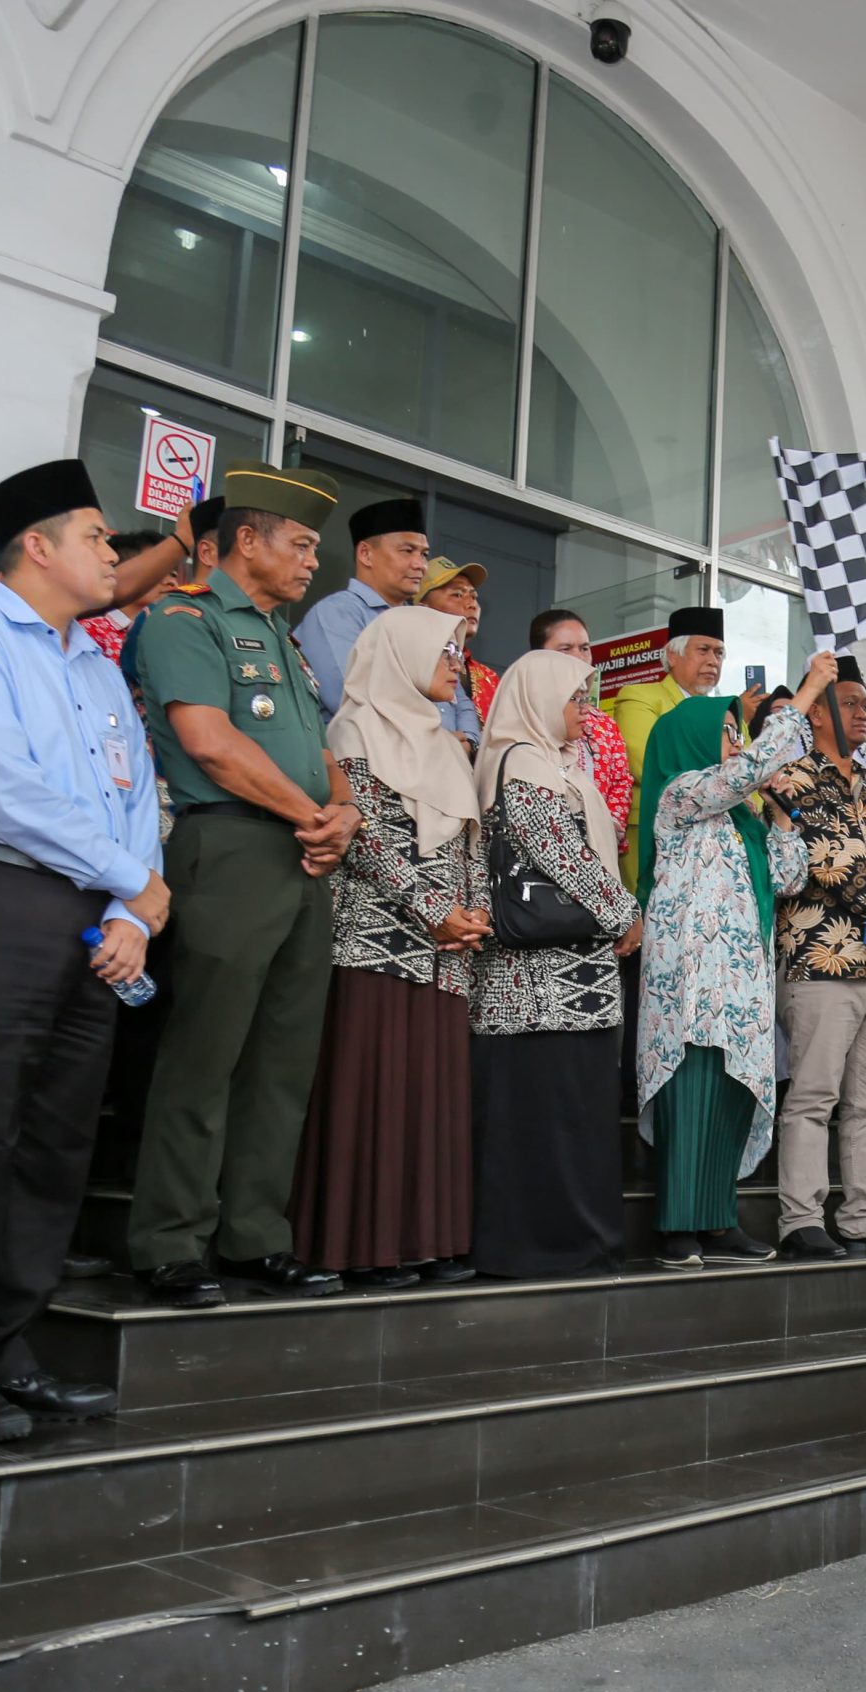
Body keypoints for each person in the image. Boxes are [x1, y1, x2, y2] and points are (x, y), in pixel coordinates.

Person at [0, 458, 165, 1442]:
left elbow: (135, 795)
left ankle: (6, 1341)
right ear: (36, 545)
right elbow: (0, 787)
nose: (111, 552)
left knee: (56, 1139)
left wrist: (135, 909)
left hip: (94, 917)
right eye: (95, 534)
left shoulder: (95, 663)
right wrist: (131, 879)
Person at [127, 462, 360, 1309]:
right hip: (227, 849)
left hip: (300, 858)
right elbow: (210, 742)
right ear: (247, 540)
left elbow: (321, 748)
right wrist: (313, 814)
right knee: (207, 1054)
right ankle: (169, 1239)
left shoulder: (285, 640)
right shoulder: (188, 619)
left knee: (281, 1063)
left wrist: (344, 812)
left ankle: (255, 1236)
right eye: (300, 544)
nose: (310, 561)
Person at [291, 606, 489, 1287]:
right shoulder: (354, 727)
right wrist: (436, 909)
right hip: (375, 943)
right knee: (370, 1094)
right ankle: (358, 1247)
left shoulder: (443, 742)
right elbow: (367, 838)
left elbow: (470, 843)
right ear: (401, 652)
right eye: (445, 651)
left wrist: (474, 915)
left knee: (427, 1098)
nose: (456, 664)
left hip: (445, 951)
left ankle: (420, 1241)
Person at [634, 664, 820, 1269]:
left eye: (738, 734)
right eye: (726, 731)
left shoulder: (746, 818)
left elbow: (791, 878)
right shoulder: (680, 794)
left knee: (735, 1091)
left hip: (740, 986)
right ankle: (677, 1226)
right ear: (688, 736)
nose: (736, 745)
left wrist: (783, 817)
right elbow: (742, 771)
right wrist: (807, 696)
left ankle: (718, 1220)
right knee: (689, 1092)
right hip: (690, 982)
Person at [470, 650, 644, 1278]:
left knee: (576, 1118)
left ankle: (580, 1245)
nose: (584, 712)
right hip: (535, 989)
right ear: (539, 699)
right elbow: (557, 853)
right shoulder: (520, 762)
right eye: (574, 699)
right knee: (540, 1121)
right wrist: (626, 912)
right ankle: (538, 1249)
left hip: (579, 981)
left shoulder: (559, 765)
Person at [764, 660, 866, 1260]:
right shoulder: (790, 778)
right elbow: (820, 856)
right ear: (817, 712)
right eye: (851, 702)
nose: (864, 712)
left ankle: (864, 1217)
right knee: (813, 1096)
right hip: (820, 962)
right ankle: (801, 1221)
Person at [612, 606, 726, 887]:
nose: (713, 661)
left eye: (719, 653)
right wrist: (726, 787)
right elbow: (648, 762)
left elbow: (751, 775)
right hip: (653, 835)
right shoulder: (640, 696)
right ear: (673, 655)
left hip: (720, 843)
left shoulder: (726, 712)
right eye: (703, 650)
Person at [294, 495, 429, 718]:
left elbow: (456, 701)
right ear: (366, 554)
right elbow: (351, 698)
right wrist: (433, 735)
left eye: (424, 554)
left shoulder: (422, 622)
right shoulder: (336, 613)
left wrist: (467, 741)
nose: (420, 565)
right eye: (407, 551)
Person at [526, 607, 632, 840]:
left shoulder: (604, 723)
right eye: (566, 649)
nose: (579, 657)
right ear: (539, 656)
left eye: (584, 648)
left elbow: (621, 780)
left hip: (599, 845)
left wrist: (608, 825)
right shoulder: (525, 715)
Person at [415, 555, 494, 742]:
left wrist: (469, 743)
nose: (471, 603)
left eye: (474, 596)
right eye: (457, 594)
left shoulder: (489, 678)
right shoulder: (409, 659)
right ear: (423, 608)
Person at [80, 527, 172, 666]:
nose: (170, 581)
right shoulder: (89, 632)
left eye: (172, 573)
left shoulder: (173, 632)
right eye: (156, 571)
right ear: (125, 571)